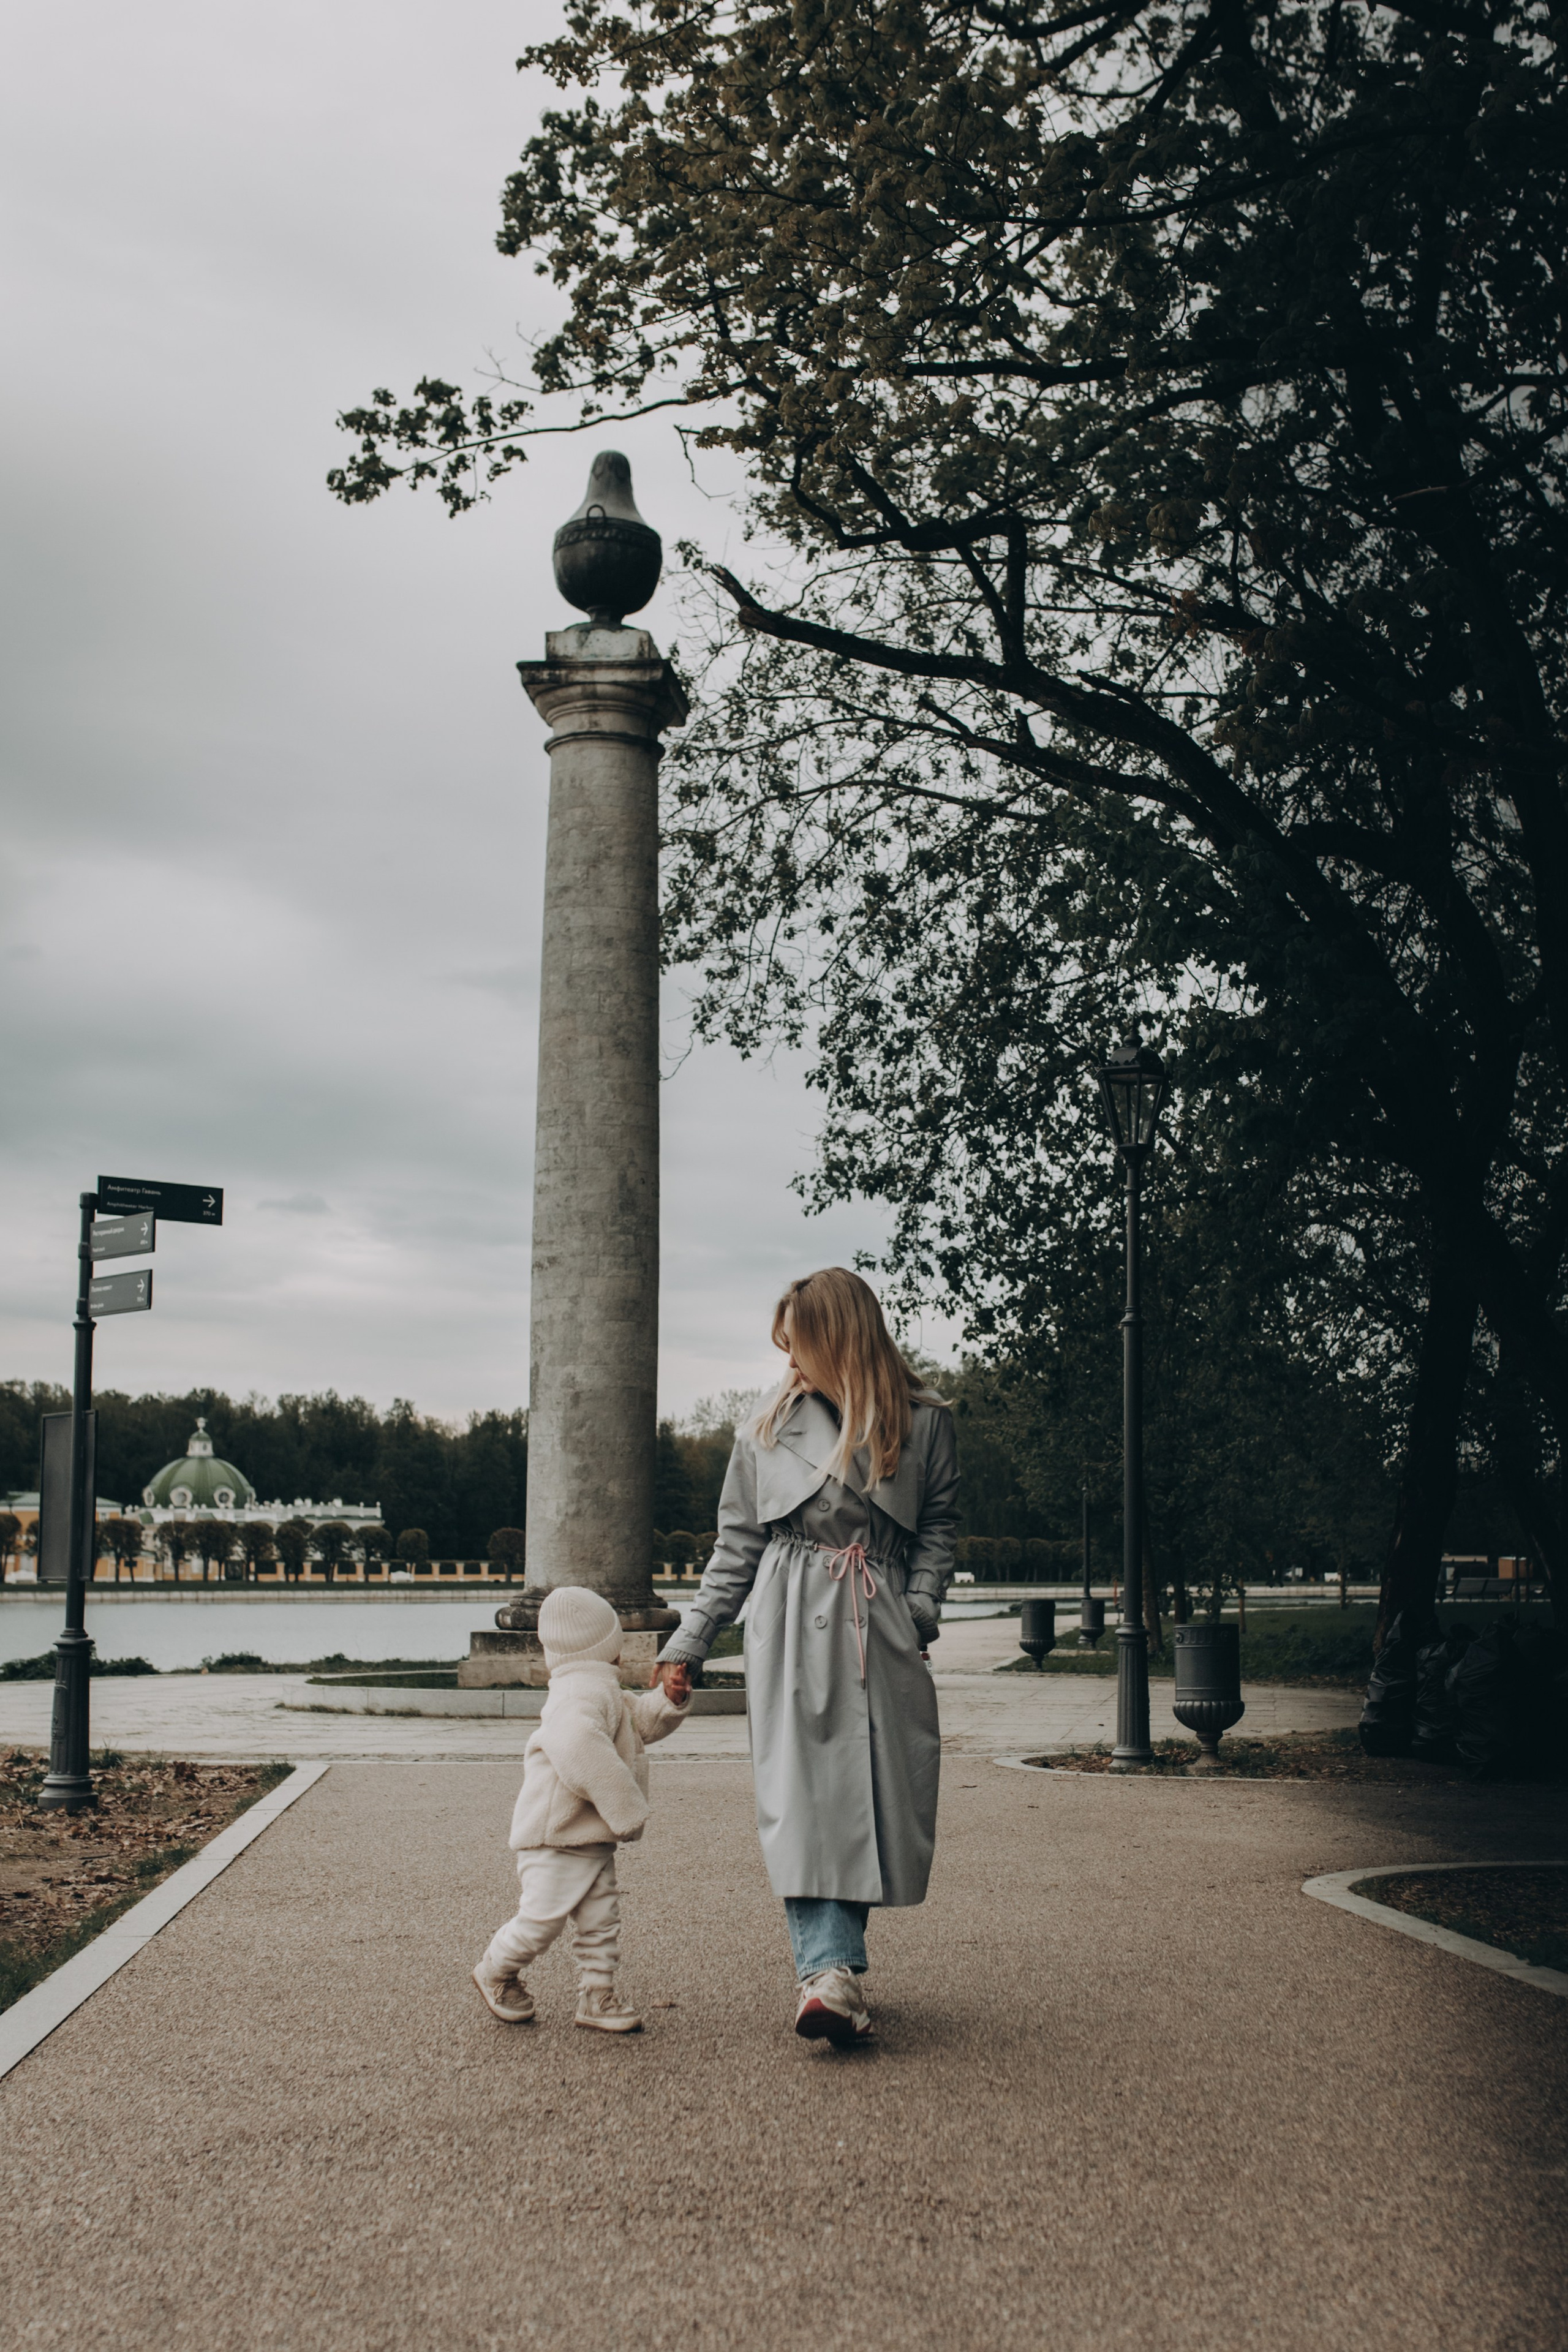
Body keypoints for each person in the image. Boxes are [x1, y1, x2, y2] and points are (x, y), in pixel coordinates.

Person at [652, 1267, 957, 2045]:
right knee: (804, 1800)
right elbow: (735, 1548)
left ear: (836, 1341)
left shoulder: (923, 1422)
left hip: (878, 1620)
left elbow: (939, 1529)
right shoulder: (766, 1428)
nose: (788, 1364)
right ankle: (828, 1973)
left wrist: (918, 1610)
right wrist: (691, 1640)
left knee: (870, 1794)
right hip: (788, 1622)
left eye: (799, 1347)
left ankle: (834, 1974)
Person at [473, 1584, 691, 2033]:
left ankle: (597, 1994)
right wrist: (627, 1809)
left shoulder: (599, 1689)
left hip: (587, 1836)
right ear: (606, 1645)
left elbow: (639, 1724)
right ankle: (494, 1969)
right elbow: (578, 1749)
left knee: (601, 1918)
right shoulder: (580, 1696)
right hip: (554, 1836)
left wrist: (670, 1701)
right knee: (540, 1921)